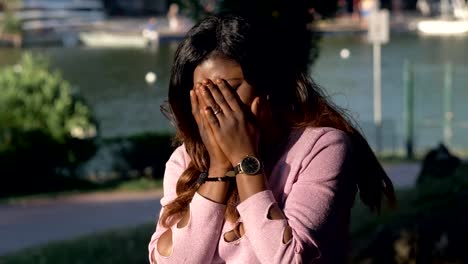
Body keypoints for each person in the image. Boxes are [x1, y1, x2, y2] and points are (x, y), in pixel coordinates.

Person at [148, 14, 395, 263]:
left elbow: (290, 259)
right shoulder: (185, 161)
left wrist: (245, 161)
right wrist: (219, 169)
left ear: (268, 86)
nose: (218, 106)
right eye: (206, 94)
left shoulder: (321, 148)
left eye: (229, 90)